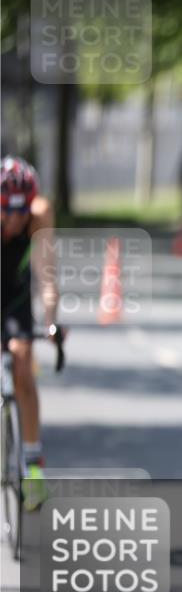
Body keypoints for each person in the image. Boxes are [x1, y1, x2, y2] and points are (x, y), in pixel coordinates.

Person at [1, 156, 59, 511]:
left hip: (17, 295)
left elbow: (47, 276)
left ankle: (33, 466)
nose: (15, 221)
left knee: (23, 360)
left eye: (22, 213)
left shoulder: (40, 215)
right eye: (7, 212)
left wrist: (51, 322)